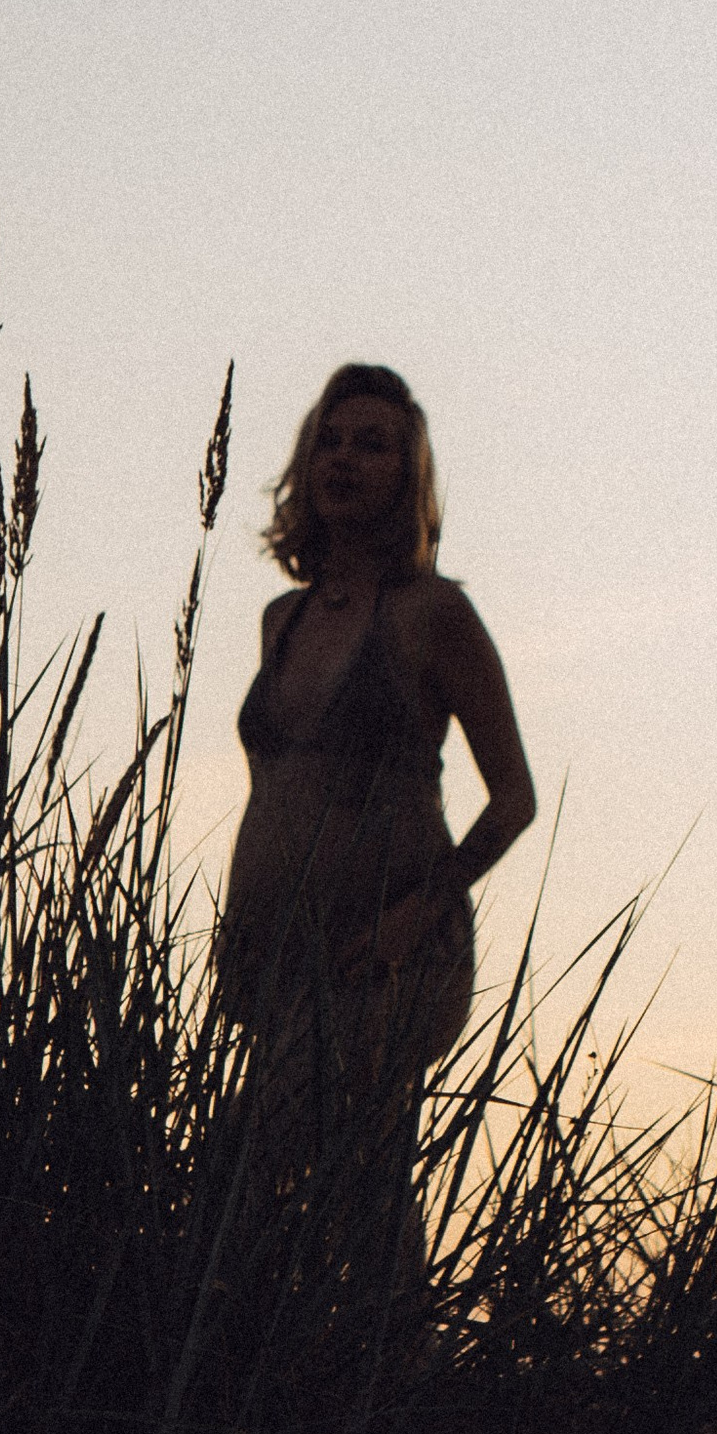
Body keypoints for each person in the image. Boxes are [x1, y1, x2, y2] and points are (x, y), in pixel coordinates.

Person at [221, 364, 536, 1270]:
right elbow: (277, 792)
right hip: (281, 951)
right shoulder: (282, 618)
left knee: (253, 1162)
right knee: (364, 1186)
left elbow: (512, 800)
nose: (344, 460)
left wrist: (414, 915)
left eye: (372, 444)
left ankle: (338, 1368)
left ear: (409, 475)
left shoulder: (435, 614)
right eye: (330, 439)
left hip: (389, 954)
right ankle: (386, 1381)